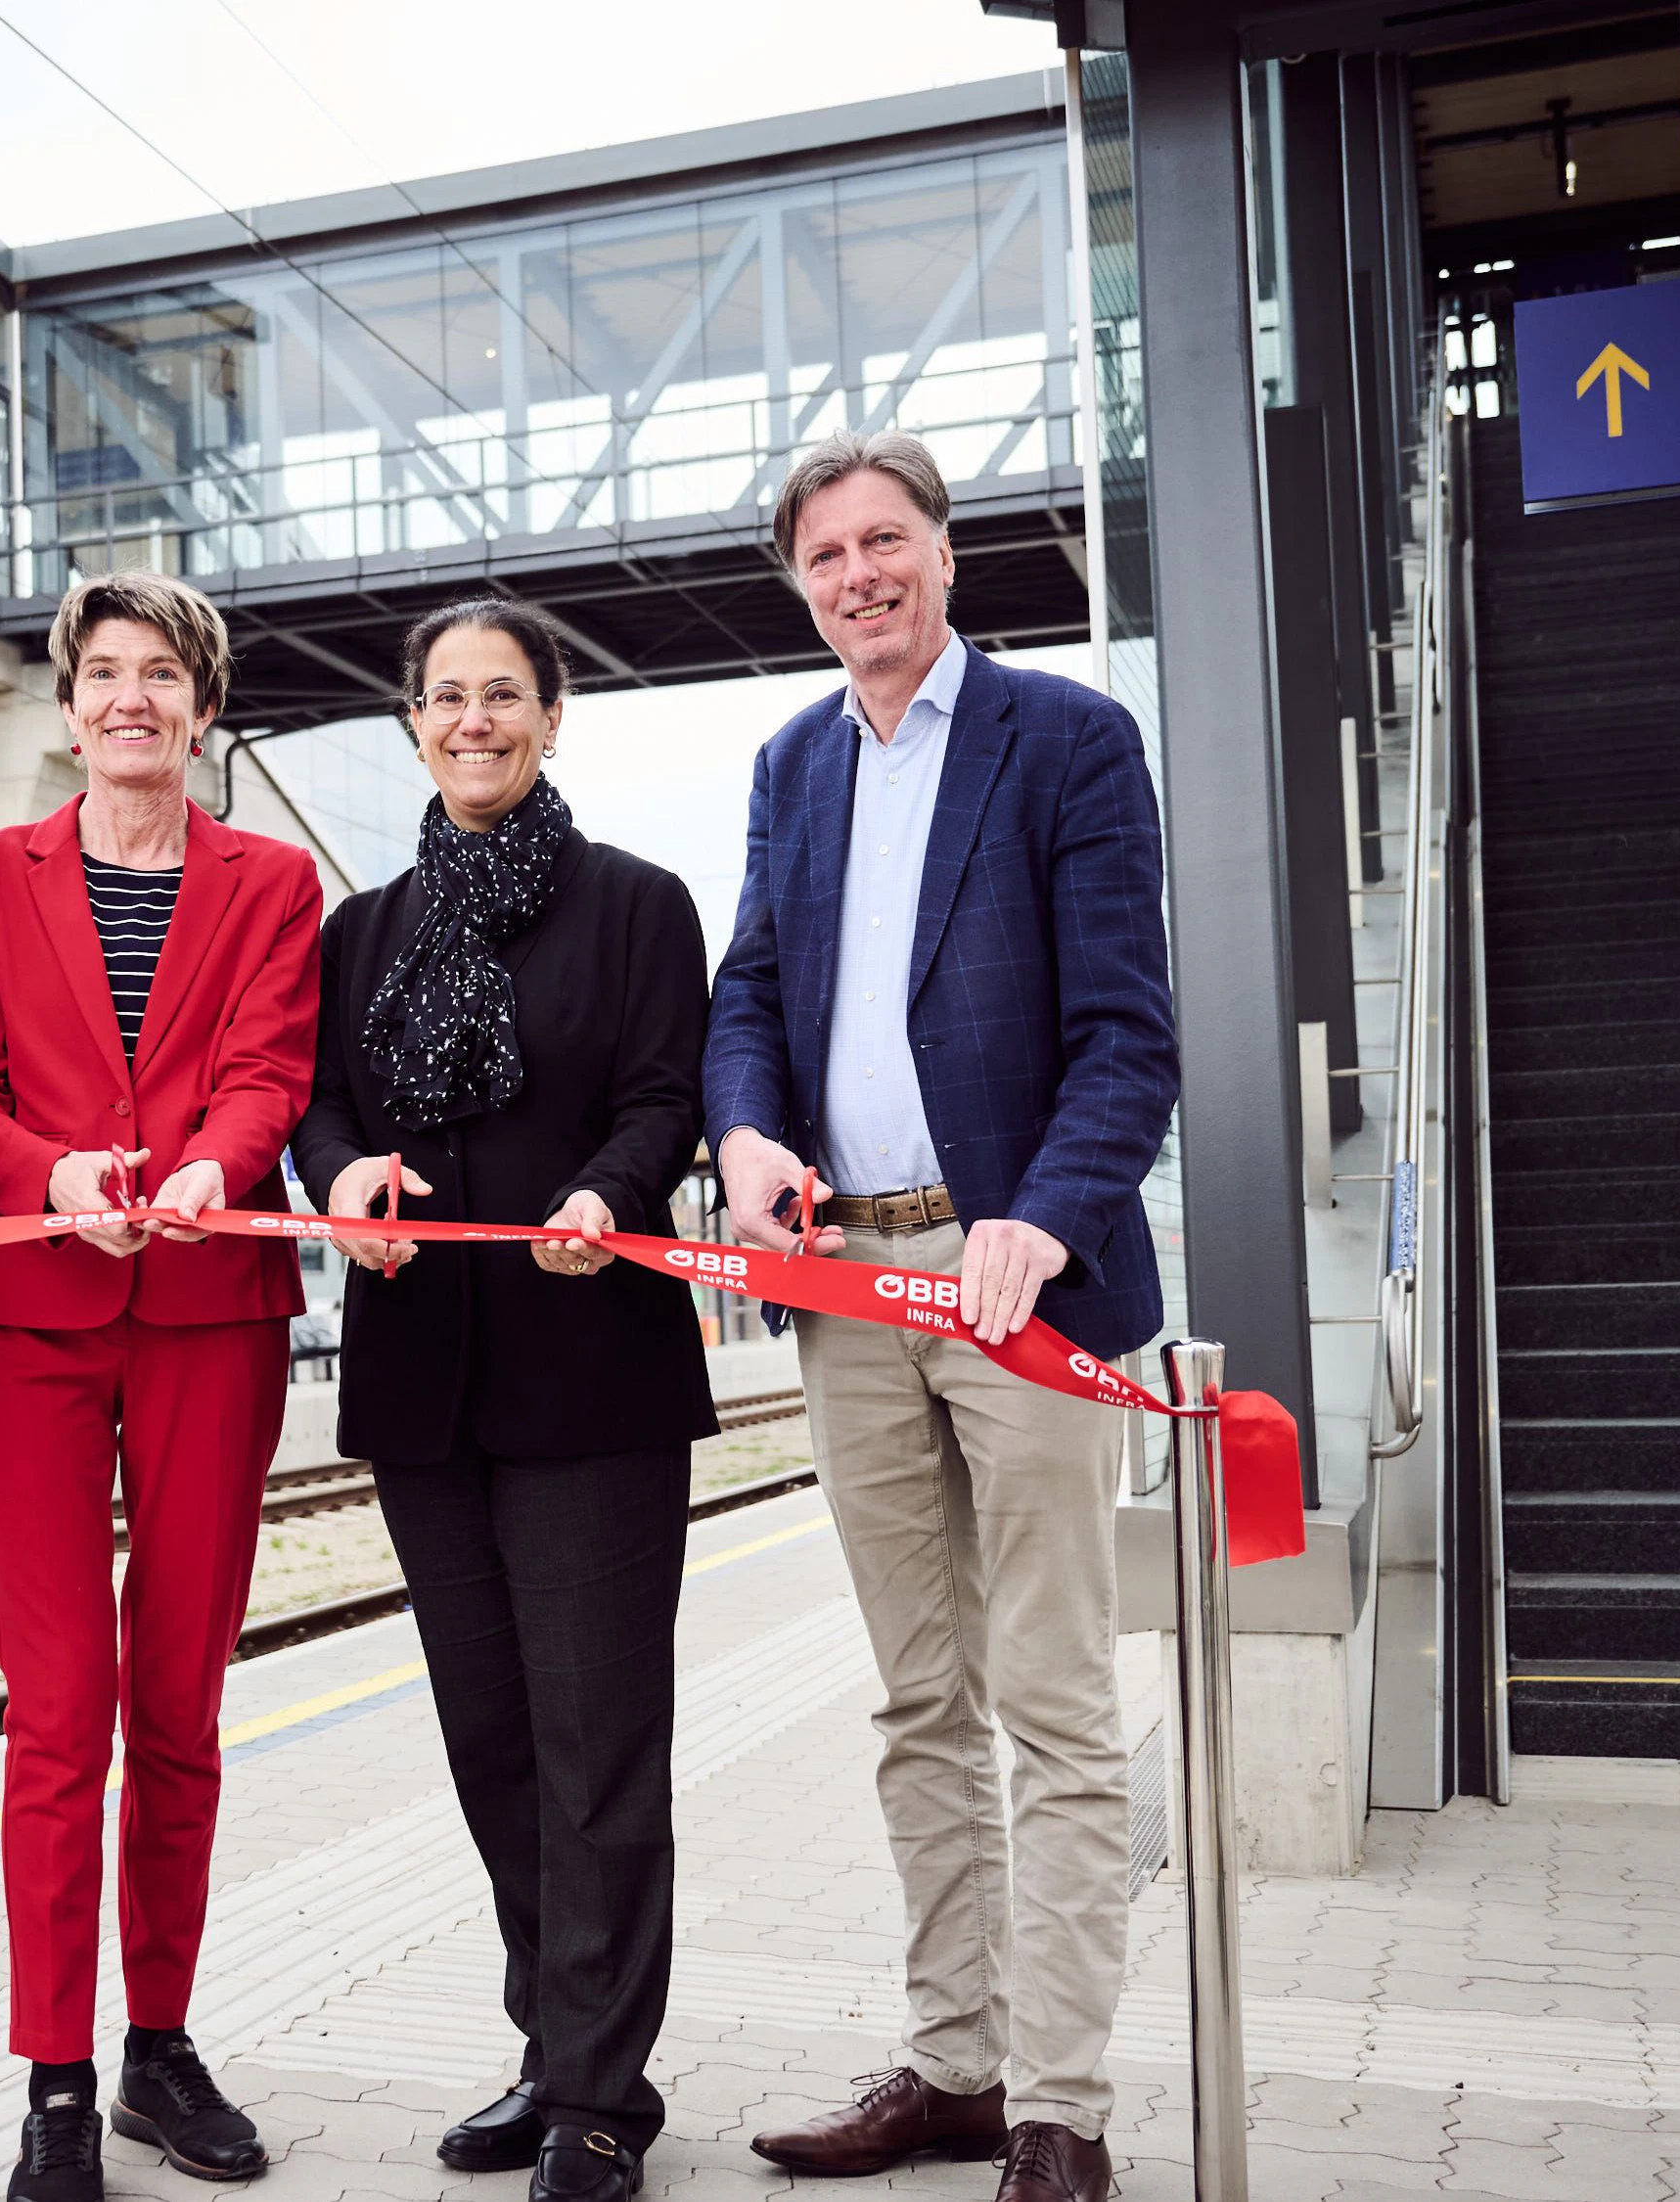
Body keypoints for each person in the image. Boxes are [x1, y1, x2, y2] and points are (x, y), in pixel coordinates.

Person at [703, 432, 1175, 2202]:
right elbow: (749, 988)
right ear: (804, 584)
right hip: (849, 1291)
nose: (857, 577)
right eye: (825, 557)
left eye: (884, 540)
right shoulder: (789, 764)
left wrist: (1040, 1228)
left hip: (1016, 1291)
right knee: (916, 1702)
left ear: (947, 552)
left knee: (1052, 1707)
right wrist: (744, 1129)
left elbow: (1133, 1035)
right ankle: (955, 2064)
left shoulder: (1066, 743)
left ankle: (1063, 2105)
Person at [291, 598, 713, 2202]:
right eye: (446, 697)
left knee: (600, 1738)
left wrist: (613, 1194)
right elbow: (319, 1101)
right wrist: (340, 1177)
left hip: (591, 1367)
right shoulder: (365, 929)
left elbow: (666, 1091)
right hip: (423, 1378)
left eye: (504, 694)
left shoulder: (635, 907)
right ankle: (553, 2042)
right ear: (415, 723)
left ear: (552, 715)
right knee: (492, 1737)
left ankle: (606, 2096)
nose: (474, 719)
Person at [0, 572, 324, 2202]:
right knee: (54, 1713)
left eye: (160, 672)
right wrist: (57, 1170)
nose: (130, 698)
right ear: (70, 703)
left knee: (178, 1704)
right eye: (103, 673)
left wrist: (214, 1171)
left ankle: (159, 2043)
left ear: (203, 705)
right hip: (29, 1313)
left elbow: (270, 1072)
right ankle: (54, 2082)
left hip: (208, 1313)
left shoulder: (273, 881)